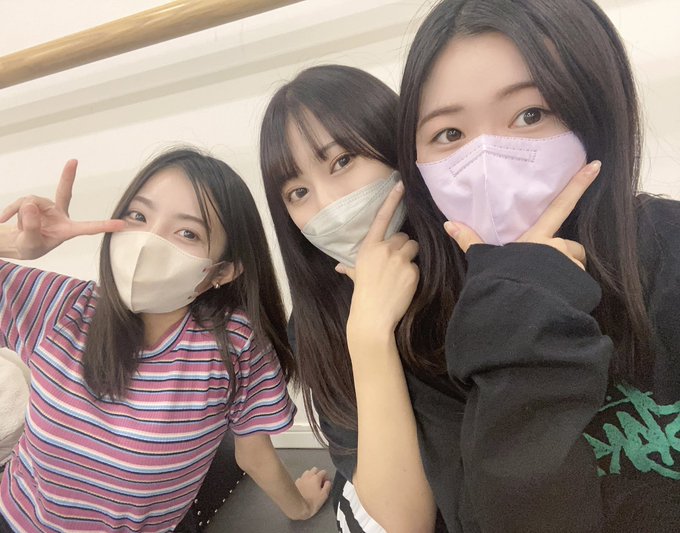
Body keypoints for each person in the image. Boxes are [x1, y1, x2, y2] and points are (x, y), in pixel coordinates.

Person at [396, 0, 680, 531]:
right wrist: (518, 311)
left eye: (531, 114)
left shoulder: (670, 246)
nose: (487, 164)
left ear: (598, 111)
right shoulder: (425, 320)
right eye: (449, 135)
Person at [0, 148, 331, 533]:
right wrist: (8, 244)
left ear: (221, 272)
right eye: (138, 216)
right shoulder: (58, 305)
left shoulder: (234, 346)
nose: (147, 241)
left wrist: (300, 508)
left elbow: (254, 453)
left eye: (187, 233)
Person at [259, 64, 455, 533]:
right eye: (298, 192)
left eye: (342, 161)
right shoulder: (315, 323)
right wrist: (369, 333)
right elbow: (403, 522)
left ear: (394, 144)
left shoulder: (476, 258)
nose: (328, 203)